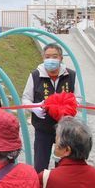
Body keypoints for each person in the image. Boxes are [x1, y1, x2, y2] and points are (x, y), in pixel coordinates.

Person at [22, 43, 78, 172]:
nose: (51, 60)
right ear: (43, 58)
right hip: (42, 127)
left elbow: (78, 99)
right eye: (47, 56)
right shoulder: (35, 75)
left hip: (65, 128)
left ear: (61, 58)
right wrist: (34, 107)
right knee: (41, 165)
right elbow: (25, 98)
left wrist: (68, 109)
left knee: (64, 164)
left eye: (54, 56)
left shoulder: (71, 75)